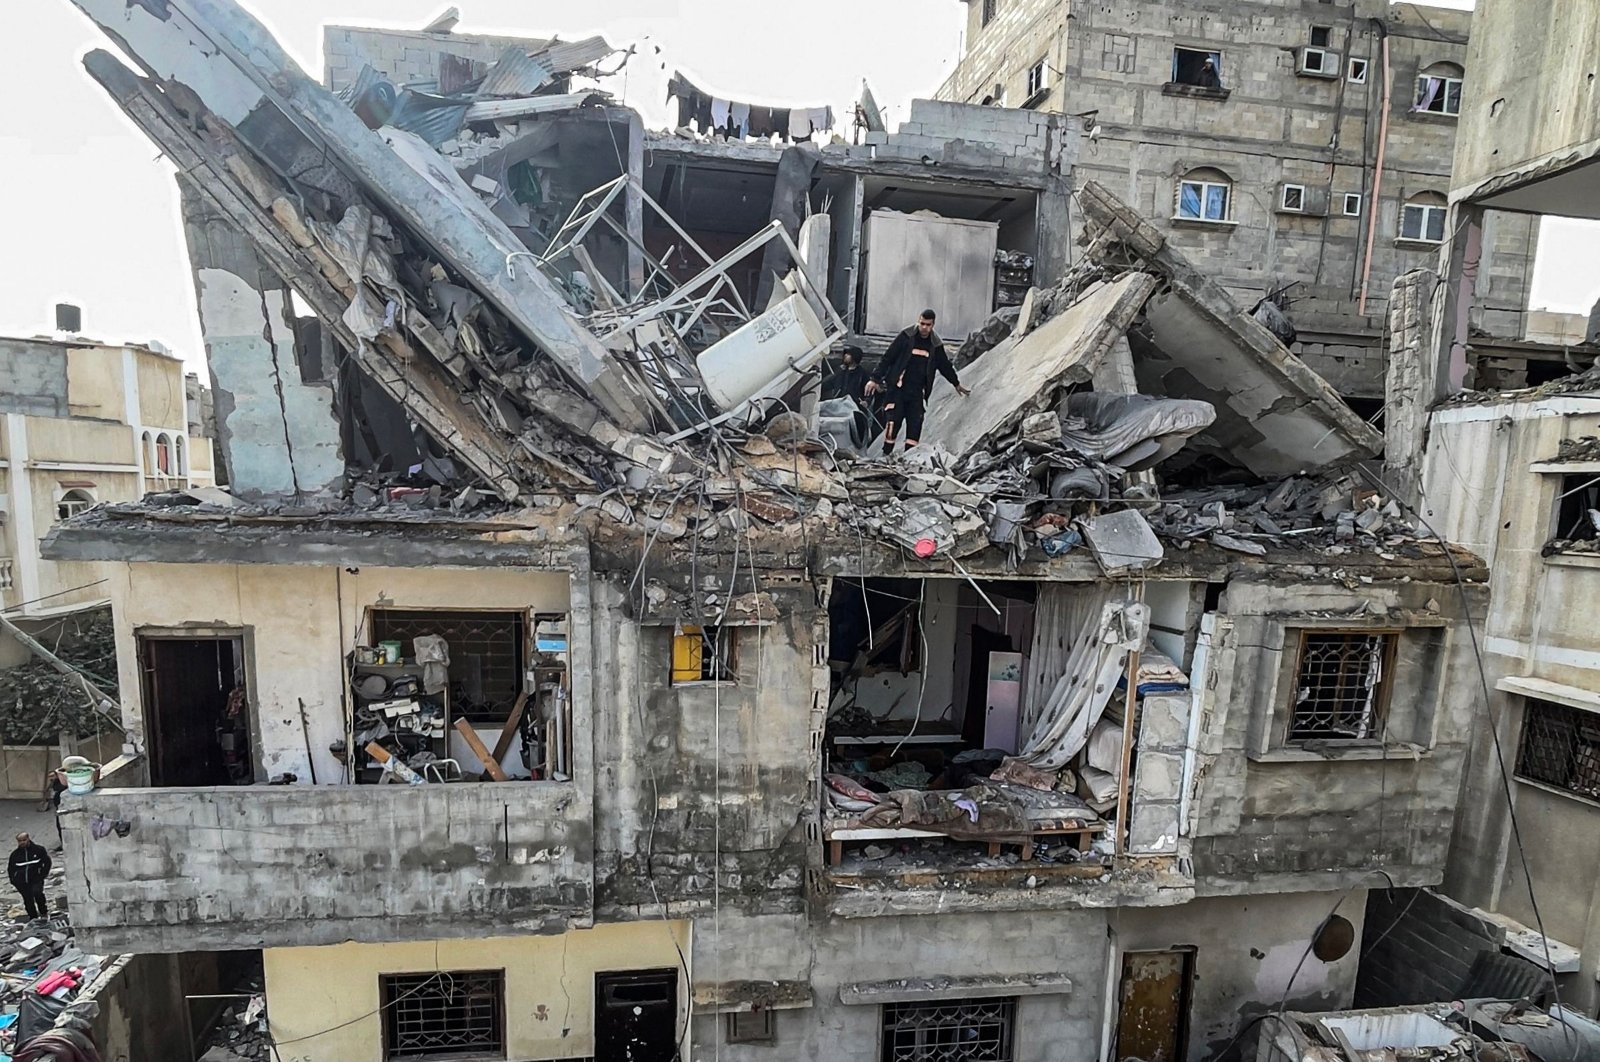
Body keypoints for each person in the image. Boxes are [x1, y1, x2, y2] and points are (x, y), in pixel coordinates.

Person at [866, 308, 969, 457]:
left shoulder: (935, 345)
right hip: (898, 390)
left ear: (933, 325)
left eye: (928, 325)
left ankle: (909, 458)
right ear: (918, 321)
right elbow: (888, 358)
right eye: (922, 323)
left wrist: (956, 383)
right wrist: (874, 379)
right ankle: (885, 455)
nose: (924, 328)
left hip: (917, 393)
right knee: (892, 422)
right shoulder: (906, 337)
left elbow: (945, 365)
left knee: (915, 425)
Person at [8, 832, 51, 921]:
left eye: (24, 840)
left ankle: (43, 913)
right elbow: (11, 868)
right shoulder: (15, 855)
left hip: (36, 879)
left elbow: (47, 862)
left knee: (38, 893)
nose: (22, 843)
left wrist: (42, 875)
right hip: (22, 882)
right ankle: (33, 918)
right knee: (28, 900)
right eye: (20, 841)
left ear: (28, 839)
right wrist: (14, 880)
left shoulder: (38, 850)